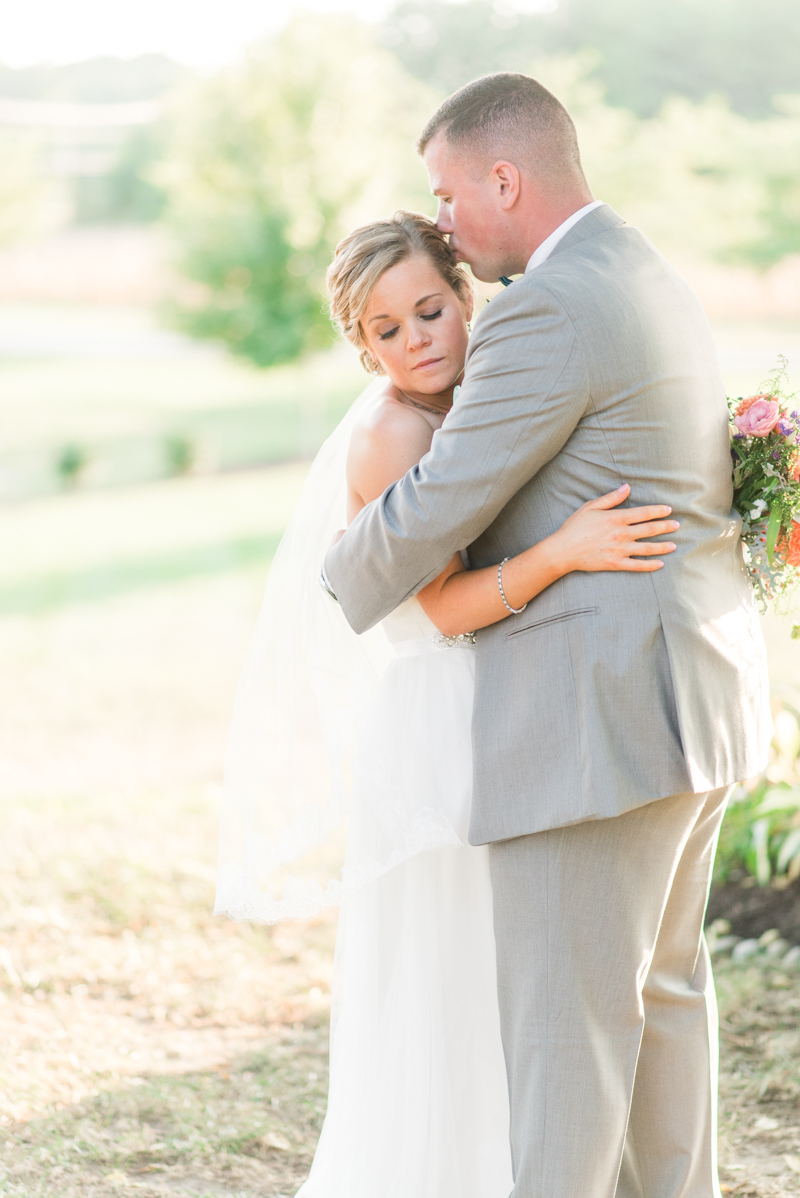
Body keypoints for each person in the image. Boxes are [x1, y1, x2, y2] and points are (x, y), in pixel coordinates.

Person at [323, 75, 771, 1198]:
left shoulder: (542, 305)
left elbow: (439, 506)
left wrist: (335, 572)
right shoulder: (638, 264)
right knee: (660, 998)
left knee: (564, 1031)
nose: (443, 222)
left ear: (503, 178)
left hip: (594, 726)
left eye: (446, 192)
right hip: (688, 702)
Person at [293, 212, 675, 1198]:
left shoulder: (492, 393)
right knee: (449, 969)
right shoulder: (388, 436)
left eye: (429, 308)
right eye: (386, 330)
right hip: (440, 719)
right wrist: (562, 552)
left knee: (519, 968)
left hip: (514, 702)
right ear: (360, 345)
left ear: (464, 298)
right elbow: (441, 607)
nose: (416, 338)